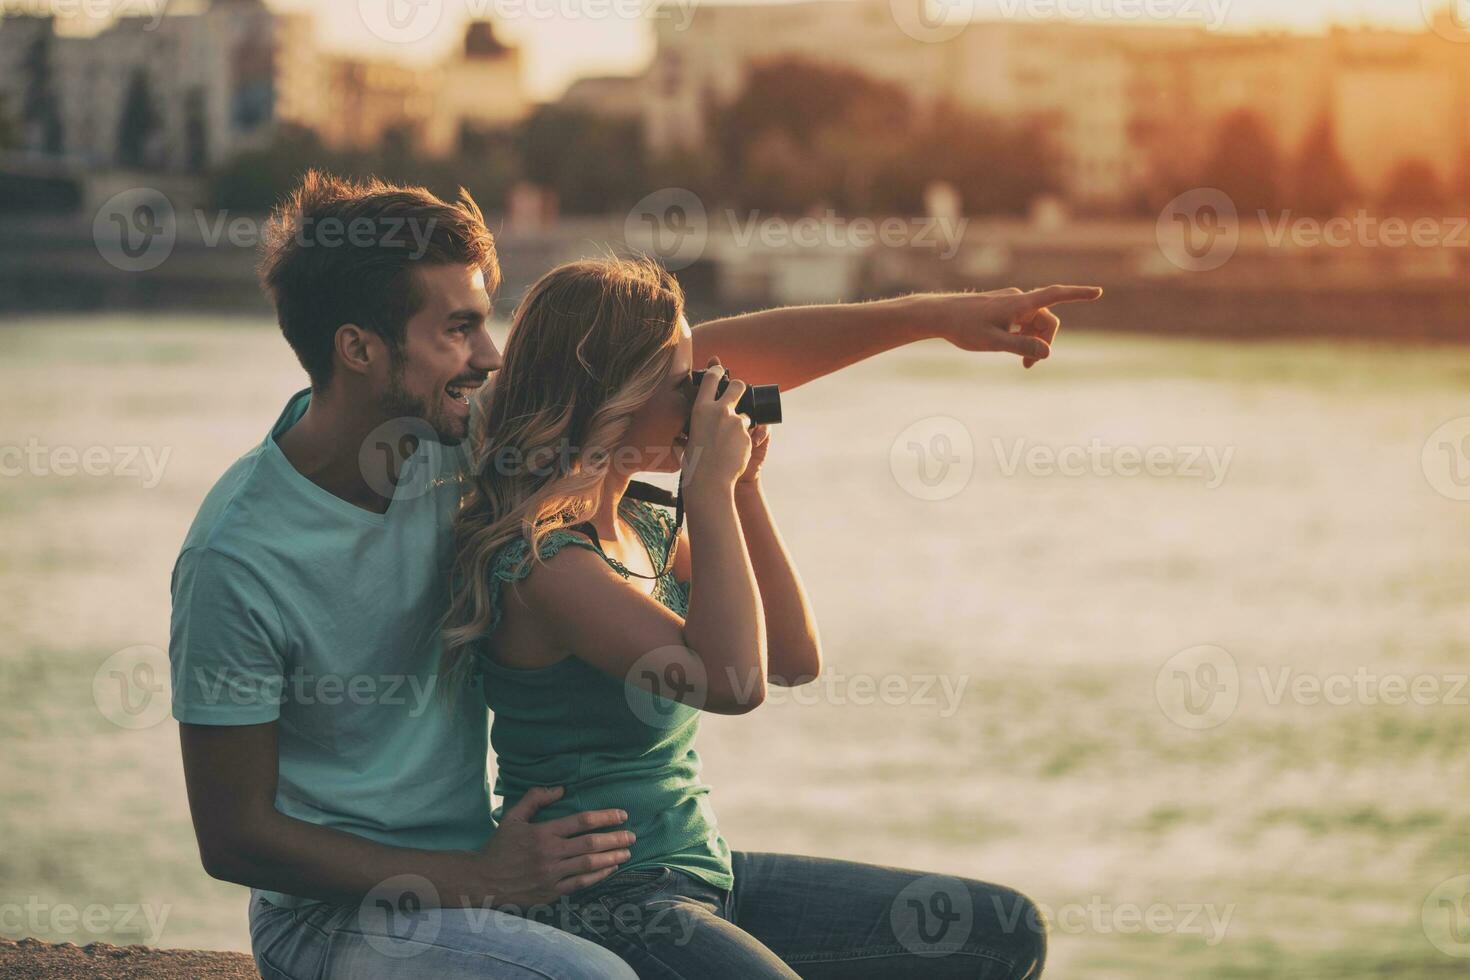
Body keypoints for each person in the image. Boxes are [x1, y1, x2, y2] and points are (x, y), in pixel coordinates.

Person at [168, 170, 1099, 978]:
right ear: (359, 348)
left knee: (989, 938)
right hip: (341, 921)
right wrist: (480, 880)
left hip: (522, 867)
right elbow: (234, 838)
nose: (490, 356)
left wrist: (936, 319)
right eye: (460, 329)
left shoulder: (447, 439)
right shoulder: (239, 558)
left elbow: (682, 367)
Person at [440, 257, 1046, 978]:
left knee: (1001, 933)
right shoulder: (545, 565)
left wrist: (746, 492)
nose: (708, 401)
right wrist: (710, 491)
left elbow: (792, 659)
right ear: (614, 397)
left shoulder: (646, 528)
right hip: (608, 899)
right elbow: (734, 683)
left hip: (707, 873)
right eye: (684, 384)